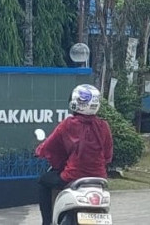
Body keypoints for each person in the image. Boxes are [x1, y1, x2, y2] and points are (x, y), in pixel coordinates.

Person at [35, 84, 113, 225]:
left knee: (43, 181)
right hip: (99, 177)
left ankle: (47, 222)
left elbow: (49, 146)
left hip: (73, 175)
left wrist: (39, 151)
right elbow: (108, 156)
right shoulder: (103, 126)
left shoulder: (69, 124)